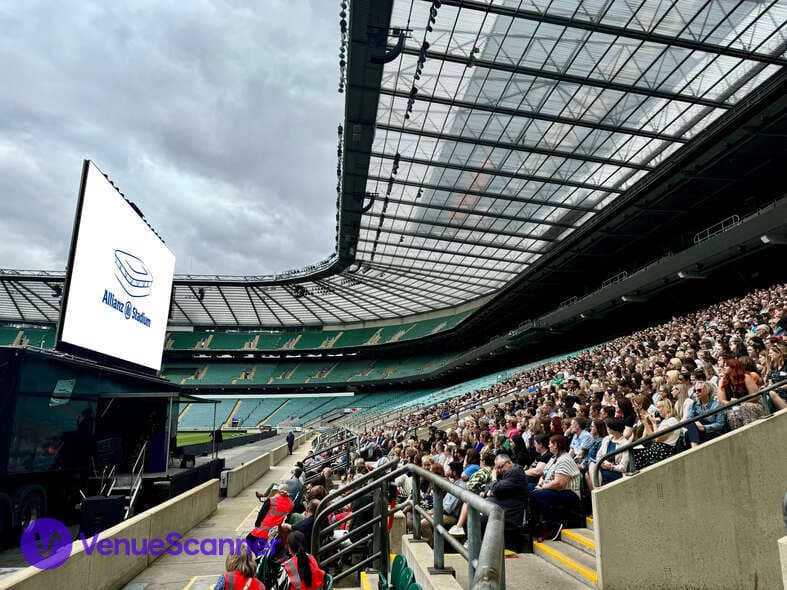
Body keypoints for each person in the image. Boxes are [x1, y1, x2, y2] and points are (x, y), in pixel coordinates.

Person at [248, 482, 294, 551]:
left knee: (249, 539)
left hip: (265, 530)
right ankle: (262, 553)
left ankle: (260, 555)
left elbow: (261, 514)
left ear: (278, 491)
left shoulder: (271, 500)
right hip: (277, 531)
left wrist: (257, 525)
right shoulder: (291, 504)